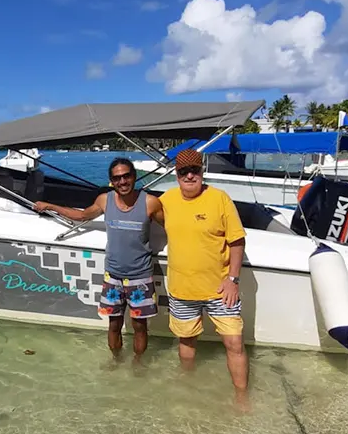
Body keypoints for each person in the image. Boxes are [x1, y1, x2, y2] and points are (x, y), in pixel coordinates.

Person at [33, 158, 164, 362]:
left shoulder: (150, 202)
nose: (122, 181)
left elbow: (174, 226)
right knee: (113, 324)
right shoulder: (105, 200)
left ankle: (139, 365)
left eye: (126, 176)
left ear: (134, 176)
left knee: (140, 326)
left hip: (140, 277)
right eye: (117, 178)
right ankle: (116, 360)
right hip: (113, 276)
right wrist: (50, 205)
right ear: (112, 181)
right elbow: (83, 215)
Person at [159, 149, 248, 400]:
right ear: (176, 175)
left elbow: (237, 241)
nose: (189, 176)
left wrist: (232, 279)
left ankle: (241, 397)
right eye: (183, 172)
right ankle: (188, 388)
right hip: (182, 288)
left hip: (221, 290)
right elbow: (135, 209)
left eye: (194, 170)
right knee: (186, 342)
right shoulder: (166, 200)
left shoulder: (220, 198)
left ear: (202, 171)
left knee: (234, 344)